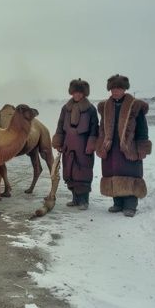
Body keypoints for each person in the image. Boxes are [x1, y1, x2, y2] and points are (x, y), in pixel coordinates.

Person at [96, 74, 152, 217]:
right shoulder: (105, 106)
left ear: (124, 89)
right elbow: (101, 128)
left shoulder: (135, 106)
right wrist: (101, 144)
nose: (116, 91)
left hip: (129, 147)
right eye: (113, 89)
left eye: (119, 88)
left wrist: (142, 148)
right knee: (114, 173)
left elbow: (142, 129)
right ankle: (118, 203)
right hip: (111, 147)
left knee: (130, 174)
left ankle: (130, 205)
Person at [52, 79, 99, 210]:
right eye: (75, 92)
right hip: (68, 145)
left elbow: (94, 128)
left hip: (83, 146)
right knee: (70, 172)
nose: (77, 95)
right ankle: (75, 199)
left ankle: (84, 201)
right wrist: (58, 142)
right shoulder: (65, 109)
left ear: (84, 94)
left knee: (83, 171)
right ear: (71, 93)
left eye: (80, 93)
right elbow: (60, 126)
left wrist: (91, 144)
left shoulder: (90, 110)